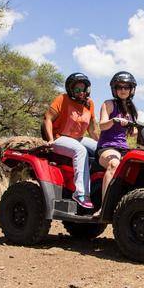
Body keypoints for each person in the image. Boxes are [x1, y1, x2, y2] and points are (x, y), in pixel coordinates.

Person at [43, 72, 99, 209]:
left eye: (83, 89)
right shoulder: (62, 99)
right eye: (77, 89)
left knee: (100, 149)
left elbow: (92, 130)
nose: (81, 92)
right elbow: (48, 118)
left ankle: (98, 188)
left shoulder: (90, 104)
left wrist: (103, 144)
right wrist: (50, 139)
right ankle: (81, 193)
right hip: (60, 137)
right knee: (80, 151)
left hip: (78, 138)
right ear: (71, 90)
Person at [95, 71, 139, 213]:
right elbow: (101, 125)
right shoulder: (108, 104)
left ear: (131, 89)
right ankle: (104, 208)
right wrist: (114, 120)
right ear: (114, 89)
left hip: (124, 148)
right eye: (119, 87)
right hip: (107, 147)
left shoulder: (132, 109)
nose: (123, 90)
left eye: (126, 87)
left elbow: (133, 134)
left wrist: (135, 128)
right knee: (114, 164)